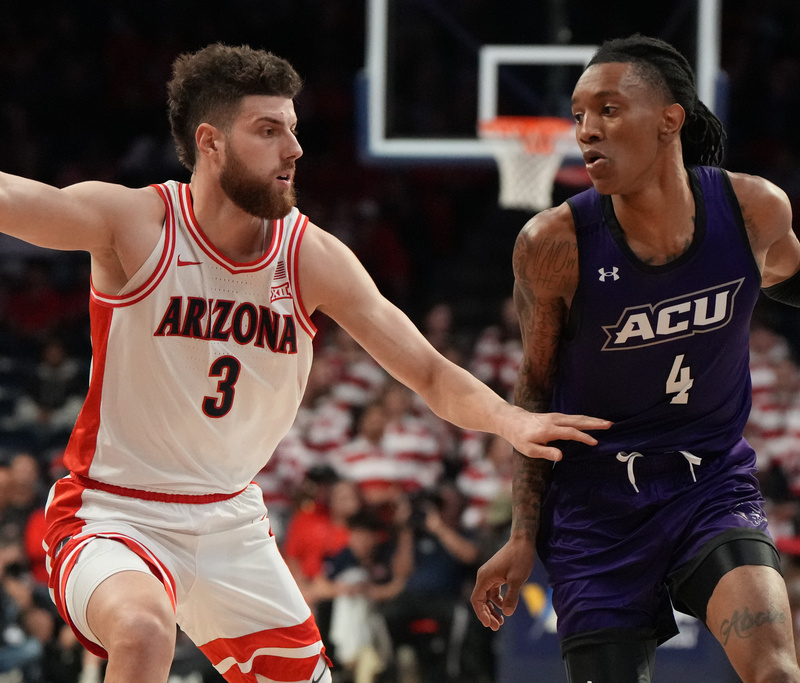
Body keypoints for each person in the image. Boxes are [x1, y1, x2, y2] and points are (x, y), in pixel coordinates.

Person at [0, 43, 611, 683]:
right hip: (113, 512)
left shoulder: (312, 257)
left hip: (229, 520)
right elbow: (17, 200)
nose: (293, 149)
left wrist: (510, 422)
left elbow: (429, 373)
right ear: (210, 142)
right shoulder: (137, 223)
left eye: (293, 130)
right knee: (143, 631)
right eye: (268, 131)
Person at [470, 34, 800, 683]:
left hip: (709, 484)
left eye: (607, 109)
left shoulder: (751, 211)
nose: (585, 130)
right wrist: (522, 534)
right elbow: (535, 391)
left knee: (776, 669)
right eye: (578, 114)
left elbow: (796, 274)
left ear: (669, 120)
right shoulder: (552, 245)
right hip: (596, 509)